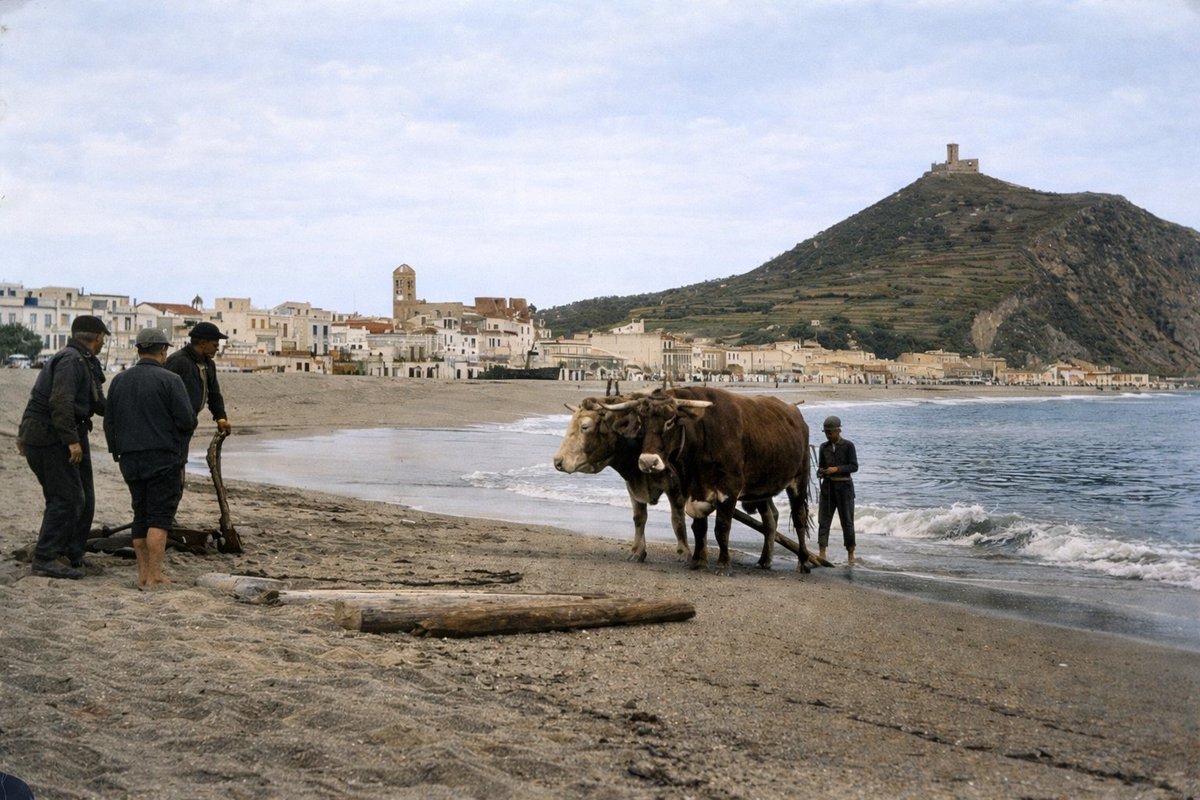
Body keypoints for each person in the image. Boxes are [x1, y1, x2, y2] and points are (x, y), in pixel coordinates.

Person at [17, 315, 110, 579]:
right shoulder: (71, 360)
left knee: (85, 498)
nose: (104, 342)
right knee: (66, 498)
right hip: (51, 438)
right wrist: (71, 441)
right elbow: (59, 403)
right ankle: (46, 557)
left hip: (63, 434)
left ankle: (72, 553)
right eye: (103, 337)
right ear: (97, 337)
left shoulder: (82, 360)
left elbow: (96, 403)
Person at [104, 328, 196, 586]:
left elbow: (109, 422)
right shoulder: (170, 380)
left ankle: (142, 574)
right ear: (163, 351)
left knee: (140, 515)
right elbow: (187, 421)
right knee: (159, 517)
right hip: (162, 457)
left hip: (129, 458)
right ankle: (155, 574)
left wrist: (116, 451)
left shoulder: (119, 380)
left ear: (138, 349)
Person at [164, 321, 231, 490]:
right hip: (170, 426)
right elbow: (163, 395)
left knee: (179, 464)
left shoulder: (209, 364)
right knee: (172, 468)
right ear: (202, 343)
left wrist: (221, 418)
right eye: (215, 344)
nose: (217, 348)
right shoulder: (178, 361)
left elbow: (214, 394)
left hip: (187, 424)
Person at [817, 415, 858, 565]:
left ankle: (851, 555)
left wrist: (837, 469)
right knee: (823, 521)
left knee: (847, 522)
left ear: (838, 431)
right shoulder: (823, 447)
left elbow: (854, 466)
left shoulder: (849, 446)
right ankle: (822, 553)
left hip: (845, 488)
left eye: (830, 432)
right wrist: (821, 472)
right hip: (827, 488)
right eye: (826, 432)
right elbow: (820, 467)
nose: (828, 435)